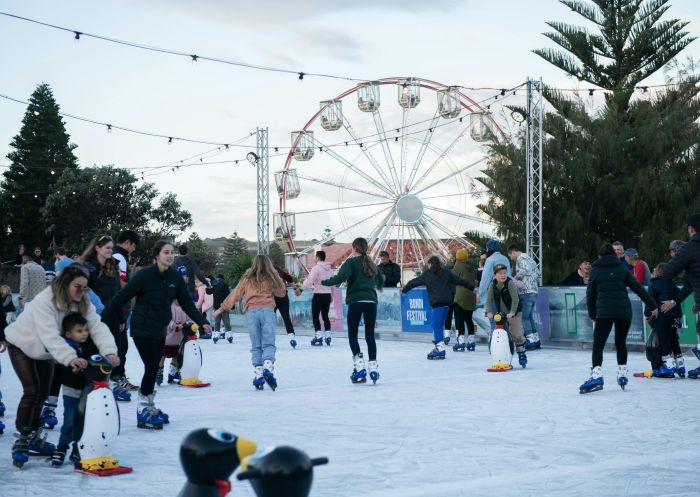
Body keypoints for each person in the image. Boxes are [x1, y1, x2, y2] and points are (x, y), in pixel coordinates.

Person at [4, 264, 119, 466]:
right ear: (65, 283)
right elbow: (49, 334)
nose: (82, 292)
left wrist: (109, 350)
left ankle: (33, 436)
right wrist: (70, 357)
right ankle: (21, 438)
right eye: (78, 287)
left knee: (43, 394)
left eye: (85, 288)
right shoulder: (44, 300)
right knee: (32, 391)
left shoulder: (81, 300)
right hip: (22, 344)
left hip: (47, 351)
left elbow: (96, 325)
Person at [102, 241, 211, 430]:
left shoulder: (175, 277)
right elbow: (122, 296)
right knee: (152, 366)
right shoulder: (144, 275)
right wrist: (102, 319)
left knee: (152, 369)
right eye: (166, 252)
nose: (170, 256)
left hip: (160, 330)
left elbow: (186, 303)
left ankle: (149, 406)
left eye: (172, 253)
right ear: (156, 255)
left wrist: (203, 322)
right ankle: (143, 410)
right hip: (142, 329)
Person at [579, 243, 657, 394]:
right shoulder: (622, 268)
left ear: (600, 256)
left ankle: (597, 375)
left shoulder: (595, 271)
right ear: (615, 256)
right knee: (621, 343)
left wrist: (592, 314)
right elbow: (638, 288)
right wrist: (652, 305)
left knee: (598, 345)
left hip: (604, 313)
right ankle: (622, 374)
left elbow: (590, 295)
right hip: (624, 312)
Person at [214, 255, 286, 390]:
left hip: (252, 312)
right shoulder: (271, 277)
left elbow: (235, 294)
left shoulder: (247, 278)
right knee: (268, 342)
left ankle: (259, 375)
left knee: (256, 344)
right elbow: (281, 293)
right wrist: (276, 276)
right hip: (267, 311)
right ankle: (268, 368)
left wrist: (221, 308)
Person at [321, 237, 384, 384]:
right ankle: (373, 368)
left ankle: (359, 367)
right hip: (371, 302)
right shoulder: (372, 264)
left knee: (353, 335)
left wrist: (323, 282)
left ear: (354, 248)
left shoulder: (351, 262)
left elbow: (340, 278)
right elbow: (380, 281)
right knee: (370, 336)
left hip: (356, 301)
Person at [80, 235, 132, 401]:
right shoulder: (88, 267)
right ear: (97, 248)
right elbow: (84, 293)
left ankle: (115, 383)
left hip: (112, 316)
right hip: (93, 317)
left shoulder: (113, 266)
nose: (110, 251)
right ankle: (92, 384)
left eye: (111, 248)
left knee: (116, 349)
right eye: (107, 248)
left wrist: (121, 318)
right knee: (94, 351)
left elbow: (117, 294)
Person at [402, 255, 475, 360]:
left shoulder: (428, 274)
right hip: (447, 303)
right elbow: (460, 280)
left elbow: (414, 282)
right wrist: (471, 287)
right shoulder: (446, 272)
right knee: (440, 324)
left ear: (430, 264)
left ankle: (440, 348)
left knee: (436, 325)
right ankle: (439, 347)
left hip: (437, 304)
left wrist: (404, 290)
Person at [51, 313, 97, 467]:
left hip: (87, 390)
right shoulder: (65, 349)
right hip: (71, 390)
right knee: (70, 420)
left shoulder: (89, 345)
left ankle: (77, 449)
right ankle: (61, 448)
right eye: (79, 331)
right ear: (68, 334)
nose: (84, 333)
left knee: (85, 421)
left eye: (85, 330)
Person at [662, 213, 700, 378]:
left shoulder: (690, 247)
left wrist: (683, 265)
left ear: (691, 229)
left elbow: (668, 272)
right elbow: (690, 285)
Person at [110, 229, 140, 390]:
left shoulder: (116, 255)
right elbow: (120, 284)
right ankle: (117, 378)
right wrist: (135, 289)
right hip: (119, 307)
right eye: (134, 245)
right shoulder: (119, 256)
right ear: (127, 242)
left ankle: (116, 376)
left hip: (117, 306)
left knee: (119, 344)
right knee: (120, 345)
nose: (134, 249)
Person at [644, 263, 684, 377]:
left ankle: (669, 366)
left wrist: (647, 313)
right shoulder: (672, 284)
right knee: (674, 339)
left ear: (657, 272)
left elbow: (650, 300)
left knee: (663, 338)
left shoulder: (653, 284)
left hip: (664, 316)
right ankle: (680, 365)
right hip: (676, 315)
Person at [485, 264, 529, 368]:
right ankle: (503, 356)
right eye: (500, 273)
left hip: (514, 313)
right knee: (501, 336)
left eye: (504, 273)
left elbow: (515, 299)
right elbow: (489, 299)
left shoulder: (510, 283)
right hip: (502, 315)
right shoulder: (493, 285)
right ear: (495, 275)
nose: (503, 275)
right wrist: (489, 311)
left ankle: (521, 353)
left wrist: (512, 312)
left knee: (516, 334)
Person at [507, 244, 541, 350]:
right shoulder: (530, 259)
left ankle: (530, 340)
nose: (511, 259)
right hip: (533, 290)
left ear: (513, 252)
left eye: (510, 256)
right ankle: (535, 339)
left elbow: (524, 270)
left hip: (526, 291)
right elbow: (538, 273)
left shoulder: (521, 258)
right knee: (529, 316)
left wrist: (515, 277)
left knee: (525, 317)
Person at [300, 250, 334, 346]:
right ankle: (328, 336)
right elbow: (333, 284)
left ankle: (318, 336)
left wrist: (302, 288)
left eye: (315, 257)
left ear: (318, 257)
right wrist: (332, 295)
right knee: (325, 316)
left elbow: (310, 281)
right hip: (327, 295)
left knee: (315, 316)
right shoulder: (330, 269)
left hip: (318, 294)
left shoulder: (316, 268)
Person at [159, 299, 190, 385]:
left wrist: (190, 323)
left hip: (178, 339)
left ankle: (172, 373)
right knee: (162, 356)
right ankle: (159, 372)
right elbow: (166, 319)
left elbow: (189, 317)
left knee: (176, 356)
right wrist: (173, 325)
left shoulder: (184, 307)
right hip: (166, 338)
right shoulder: (169, 307)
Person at [451, 249, 477, 351]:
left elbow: (451, 277)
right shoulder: (471, 267)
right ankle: (471, 341)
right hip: (471, 296)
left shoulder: (458, 267)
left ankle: (461, 342)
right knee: (469, 319)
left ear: (458, 257)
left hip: (460, 297)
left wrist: (454, 265)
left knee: (459, 319)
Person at [274, 265, 297, 347]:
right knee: (286, 317)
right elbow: (290, 279)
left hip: (272, 298)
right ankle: (291, 336)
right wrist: (295, 288)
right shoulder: (279, 269)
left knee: (269, 318)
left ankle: (268, 338)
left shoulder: (266, 271)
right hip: (283, 296)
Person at [207, 273, 232, 342]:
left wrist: (207, 286)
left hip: (216, 306)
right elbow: (229, 295)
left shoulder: (215, 285)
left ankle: (216, 335)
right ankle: (229, 335)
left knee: (217, 322)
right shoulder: (225, 285)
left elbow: (208, 292)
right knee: (226, 321)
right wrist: (232, 306)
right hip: (224, 306)